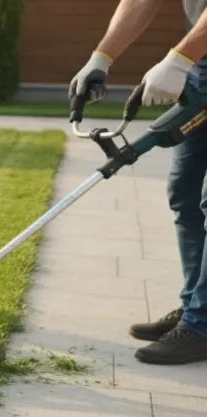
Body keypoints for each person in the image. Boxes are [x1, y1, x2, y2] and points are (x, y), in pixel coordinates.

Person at [72, 0, 207, 364]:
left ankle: (202, 326)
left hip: (193, 56)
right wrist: (101, 57)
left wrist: (178, 59)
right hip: (202, 61)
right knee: (185, 193)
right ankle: (195, 306)